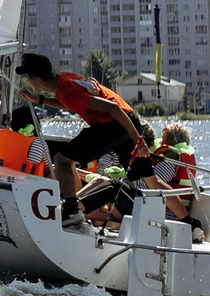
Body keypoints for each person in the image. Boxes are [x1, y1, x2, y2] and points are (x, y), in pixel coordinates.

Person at [17, 53, 148, 225]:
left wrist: (138, 140)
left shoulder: (66, 90)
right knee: (146, 178)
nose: (27, 81)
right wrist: (39, 99)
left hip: (112, 125)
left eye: (27, 77)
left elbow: (113, 108)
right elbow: (70, 102)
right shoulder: (63, 80)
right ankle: (181, 219)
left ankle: (72, 211)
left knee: (62, 160)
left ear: (35, 78)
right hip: (122, 122)